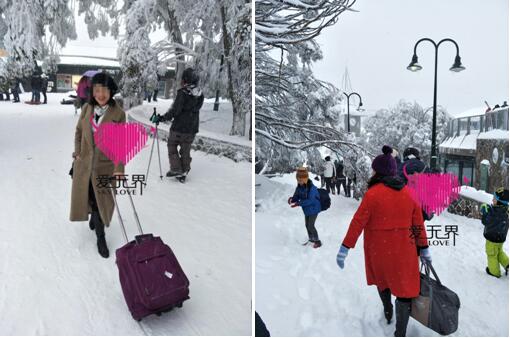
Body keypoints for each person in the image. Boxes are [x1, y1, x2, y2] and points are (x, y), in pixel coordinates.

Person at [336, 145, 430, 337]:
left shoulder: (372, 194)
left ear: (378, 172)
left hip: (379, 251)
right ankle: (400, 332)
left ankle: (388, 309)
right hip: (405, 251)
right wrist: (424, 248)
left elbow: (358, 222)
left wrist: (345, 247)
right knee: (404, 290)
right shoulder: (408, 193)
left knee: (384, 281)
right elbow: (418, 223)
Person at [69, 73, 126, 258]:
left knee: (101, 200)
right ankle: (97, 224)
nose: (100, 94)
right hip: (84, 165)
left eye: (104, 90)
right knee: (91, 198)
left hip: (105, 167)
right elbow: (78, 132)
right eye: (96, 90)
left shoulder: (118, 114)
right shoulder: (87, 109)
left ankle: (100, 234)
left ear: (111, 91)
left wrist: (119, 169)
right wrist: (78, 152)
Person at [152, 67, 204, 179]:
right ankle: (184, 171)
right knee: (185, 149)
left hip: (179, 128)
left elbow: (175, 110)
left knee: (172, 145)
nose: (181, 81)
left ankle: (176, 169)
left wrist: (161, 118)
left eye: (183, 79)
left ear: (186, 80)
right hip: (192, 129)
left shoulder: (183, 93)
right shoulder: (200, 95)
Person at [288, 167, 322, 248]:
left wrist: (298, 203)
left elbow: (310, 200)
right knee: (307, 225)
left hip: (314, 208)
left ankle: (317, 241)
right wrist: (292, 199)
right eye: (298, 180)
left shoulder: (312, 188)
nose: (299, 182)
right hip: (307, 209)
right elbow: (296, 195)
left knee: (311, 225)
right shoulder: (299, 187)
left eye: (301, 180)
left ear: (305, 179)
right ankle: (311, 239)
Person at [480, 187, 509, 278]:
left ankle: (494, 272)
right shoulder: (505, 210)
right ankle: (507, 264)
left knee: (491, 254)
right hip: (500, 237)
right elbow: (495, 214)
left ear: (500, 202)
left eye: (495, 199)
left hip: (492, 238)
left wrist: (484, 212)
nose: (492, 200)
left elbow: (486, 221)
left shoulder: (494, 213)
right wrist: (490, 209)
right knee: (499, 252)